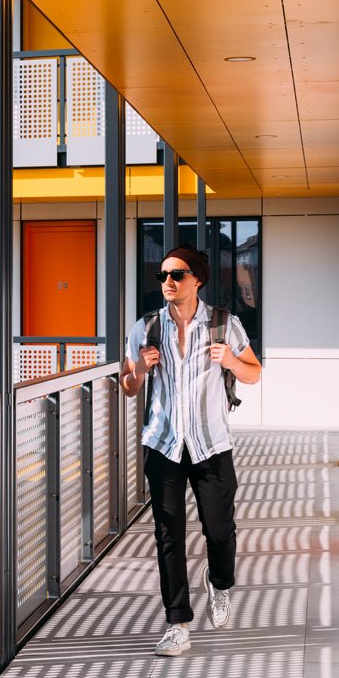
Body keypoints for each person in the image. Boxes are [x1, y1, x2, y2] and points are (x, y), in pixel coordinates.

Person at [120, 245, 262, 656]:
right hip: (163, 445)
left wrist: (231, 361)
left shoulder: (224, 324)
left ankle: (219, 585)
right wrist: (141, 369)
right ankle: (178, 622)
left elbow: (253, 373)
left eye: (177, 274)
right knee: (169, 536)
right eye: (164, 275)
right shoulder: (145, 327)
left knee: (219, 530)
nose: (168, 281)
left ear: (197, 279)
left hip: (211, 444)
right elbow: (128, 386)